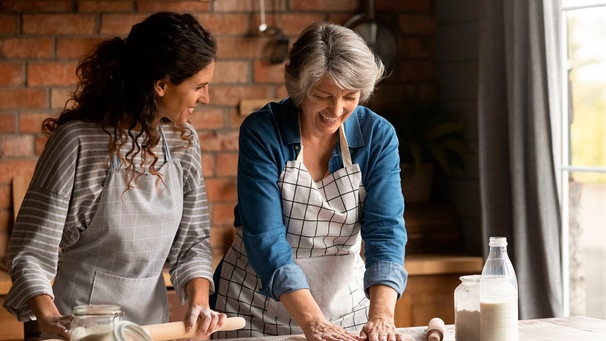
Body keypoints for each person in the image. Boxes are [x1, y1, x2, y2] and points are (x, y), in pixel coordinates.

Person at [3, 11, 226, 339]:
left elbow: (193, 241)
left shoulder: (184, 142)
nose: (206, 98)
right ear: (161, 84)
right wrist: (49, 319)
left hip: (148, 329)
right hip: (77, 328)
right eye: (199, 86)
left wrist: (199, 301)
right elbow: (30, 251)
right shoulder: (78, 142)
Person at [212, 22, 408, 341]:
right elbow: (265, 238)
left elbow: (385, 230)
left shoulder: (378, 136)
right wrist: (312, 322)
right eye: (323, 95)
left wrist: (382, 316)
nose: (336, 109)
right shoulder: (263, 132)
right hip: (254, 309)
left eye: (350, 97)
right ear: (300, 89)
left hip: (345, 309)